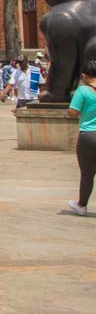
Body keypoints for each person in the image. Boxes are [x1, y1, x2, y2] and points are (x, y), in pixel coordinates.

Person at [65, 58, 96, 216]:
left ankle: (82, 205)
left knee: (87, 174)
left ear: (84, 76)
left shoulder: (82, 91)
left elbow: (73, 112)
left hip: (88, 135)